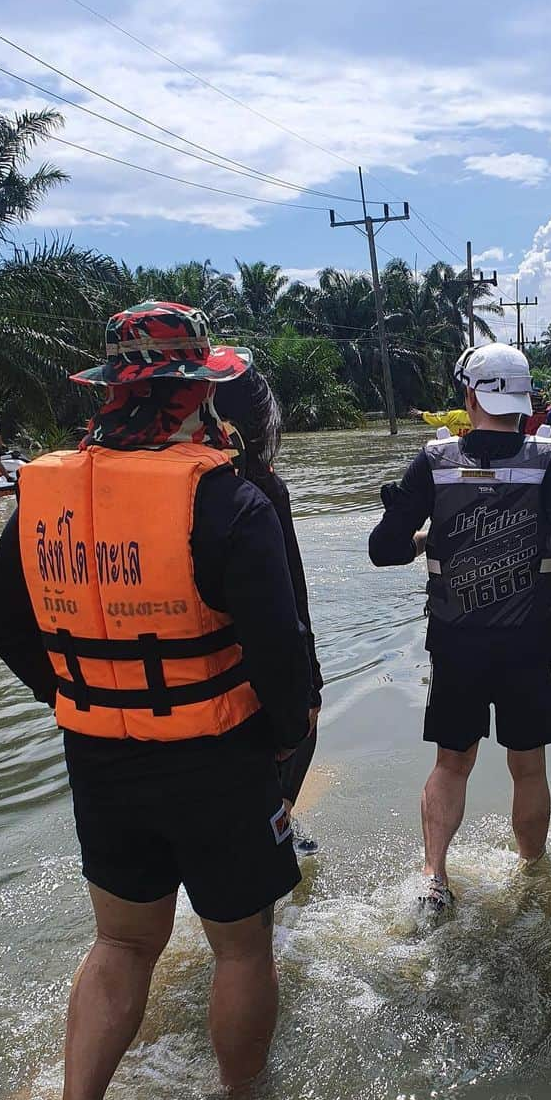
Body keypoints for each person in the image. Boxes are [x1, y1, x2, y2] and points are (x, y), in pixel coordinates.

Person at [0, 302, 312, 1100]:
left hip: (100, 758)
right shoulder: (228, 495)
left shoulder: (45, 490)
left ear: (115, 390)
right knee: (242, 950)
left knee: (122, 944)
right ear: (197, 391)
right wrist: (285, 754)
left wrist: (78, 695)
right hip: (217, 754)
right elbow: (283, 656)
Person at [369, 343, 551, 912]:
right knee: (528, 765)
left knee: (452, 761)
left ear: (469, 397)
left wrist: (424, 535)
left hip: (455, 641)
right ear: (523, 402)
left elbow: (383, 549)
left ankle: (433, 878)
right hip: (530, 643)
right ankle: (532, 876)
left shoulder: (435, 461)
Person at [214, 364, 324, 850]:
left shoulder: (154, 486)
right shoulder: (258, 491)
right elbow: (288, 611)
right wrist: (307, 693)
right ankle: (276, 824)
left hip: (118, 723)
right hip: (241, 694)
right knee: (300, 725)